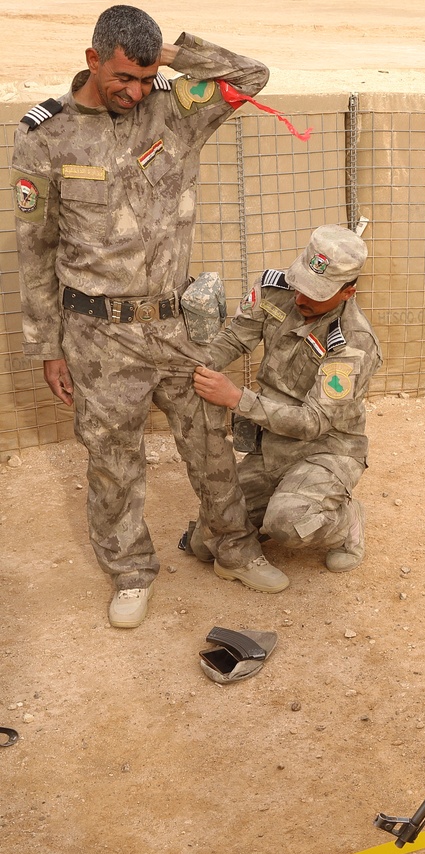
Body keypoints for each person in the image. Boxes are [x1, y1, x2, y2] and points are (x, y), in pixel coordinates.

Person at [10, 5, 288, 629]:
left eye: (143, 77)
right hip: (97, 334)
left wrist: (171, 57)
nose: (133, 93)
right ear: (91, 60)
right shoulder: (44, 137)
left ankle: (233, 547)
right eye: (121, 80)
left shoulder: (173, 109)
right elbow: (36, 252)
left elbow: (253, 74)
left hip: (176, 324)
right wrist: (49, 347)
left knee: (210, 442)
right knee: (113, 458)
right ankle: (131, 570)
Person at [188, 225, 382, 573]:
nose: (300, 299)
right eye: (300, 284)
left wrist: (235, 398)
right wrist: (197, 364)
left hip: (326, 450)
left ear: (348, 292)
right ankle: (283, 500)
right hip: (272, 446)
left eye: (315, 293)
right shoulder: (274, 290)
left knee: (287, 523)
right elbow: (234, 339)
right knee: (206, 543)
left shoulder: (353, 343)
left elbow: (314, 422)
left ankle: (346, 521)